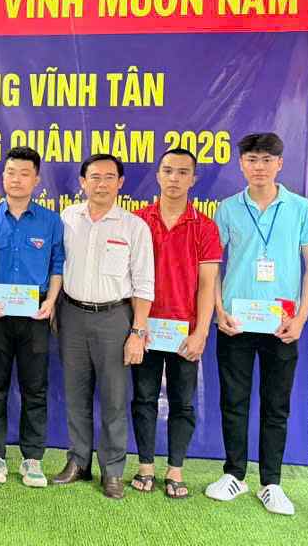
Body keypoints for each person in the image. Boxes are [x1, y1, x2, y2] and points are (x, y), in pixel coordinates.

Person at [207, 132, 308, 515]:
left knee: (276, 405)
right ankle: (234, 474)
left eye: (266, 160)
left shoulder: (300, 208)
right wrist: (218, 310)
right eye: (252, 160)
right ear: (241, 164)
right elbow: (213, 267)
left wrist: (300, 319)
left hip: (281, 325)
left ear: (280, 164)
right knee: (233, 401)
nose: (259, 167)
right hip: (236, 322)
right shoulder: (227, 209)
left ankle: (271, 482)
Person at [51, 154, 154, 500]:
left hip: (115, 319)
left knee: (113, 398)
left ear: (120, 183)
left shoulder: (133, 227)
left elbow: (144, 285)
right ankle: (78, 462)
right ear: (82, 181)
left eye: (109, 177)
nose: (101, 183)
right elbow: (55, 268)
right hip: (72, 315)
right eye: (94, 177)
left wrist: (137, 332)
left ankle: (112, 471)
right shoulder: (66, 219)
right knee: (76, 394)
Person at [130, 148, 222, 498]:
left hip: (185, 332)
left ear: (193, 179)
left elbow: (207, 285)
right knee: (143, 398)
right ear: (157, 175)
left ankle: (175, 469)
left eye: (183, 172)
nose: (174, 178)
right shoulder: (138, 221)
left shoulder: (205, 227)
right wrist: (136, 328)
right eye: (168, 171)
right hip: (146, 328)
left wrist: (200, 332)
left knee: (183, 402)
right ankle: (145, 466)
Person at [0, 146, 63, 488]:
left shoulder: (50, 220)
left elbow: (57, 265)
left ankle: (32, 458)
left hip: (36, 313)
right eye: (11, 172)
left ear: (36, 179)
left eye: (24, 173)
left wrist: (52, 301)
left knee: (34, 388)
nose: (17, 179)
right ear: (3, 176)